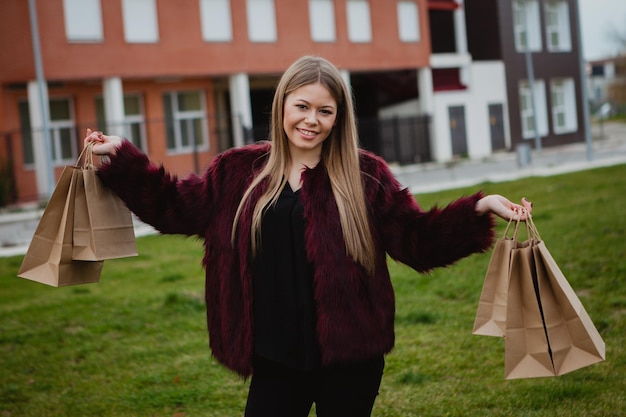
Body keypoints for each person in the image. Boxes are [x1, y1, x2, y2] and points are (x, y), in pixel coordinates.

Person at [85, 55, 532, 417]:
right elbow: (173, 207)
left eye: (324, 111)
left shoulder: (365, 176)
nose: (311, 120)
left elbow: (417, 241)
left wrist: (479, 207)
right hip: (273, 358)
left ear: (338, 118)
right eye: (302, 106)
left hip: (350, 358)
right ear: (282, 105)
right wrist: (122, 157)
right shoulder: (237, 172)